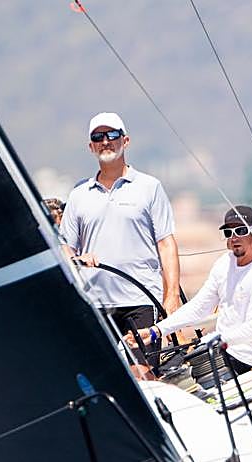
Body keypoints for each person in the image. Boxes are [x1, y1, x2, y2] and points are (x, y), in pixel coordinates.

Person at [60, 112, 180, 377]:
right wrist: (77, 259)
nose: (105, 141)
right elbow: (65, 247)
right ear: (91, 146)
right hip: (97, 302)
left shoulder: (149, 187)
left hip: (141, 299)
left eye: (112, 135)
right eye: (98, 137)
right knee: (101, 377)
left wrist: (171, 297)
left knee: (143, 375)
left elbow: (166, 243)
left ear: (125, 141)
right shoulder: (78, 195)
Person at [128, 205, 252, 376]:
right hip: (221, 351)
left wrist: (214, 339)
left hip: (250, 359)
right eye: (229, 232)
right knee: (166, 374)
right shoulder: (225, 263)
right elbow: (200, 306)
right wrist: (156, 331)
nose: (234, 237)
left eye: (241, 230)